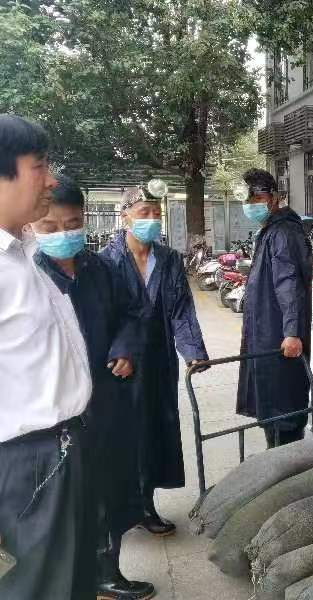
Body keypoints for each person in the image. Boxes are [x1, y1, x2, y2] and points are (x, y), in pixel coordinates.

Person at [31, 175, 155, 600]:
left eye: (72, 224)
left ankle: (107, 571)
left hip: (106, 399)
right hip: (54, 412)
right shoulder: (29, 276)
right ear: (32, 224)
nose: (63, 234)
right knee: (65, 502)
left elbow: (134, 312)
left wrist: (125, 348)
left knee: (111, 488)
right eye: (50, 227)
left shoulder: (101, 267)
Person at [0, 115, 94, 599]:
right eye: (39, 166)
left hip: (62, 450)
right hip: (26, 465)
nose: (52, 180)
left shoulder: (23, 257)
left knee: (71, 585)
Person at [101, 183, 208, 537]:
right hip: (120, 366)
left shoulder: (169, 259)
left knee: (154, 431)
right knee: (122, 435)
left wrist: (192, 350)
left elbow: (181, 308)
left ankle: (144, 505)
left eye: (156, 213)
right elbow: (101, 315)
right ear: (125, 216)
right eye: (143, 212)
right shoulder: (105, 261)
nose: (151, 218)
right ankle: (113, 510)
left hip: (159, 360)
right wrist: (118, 351)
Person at [235, 168, 312, 447]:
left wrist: (292, 332)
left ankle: (286, 465)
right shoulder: (270, 231)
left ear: (275, 198)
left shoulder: (283, 233)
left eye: (257, 198)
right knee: (272, 408)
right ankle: (277, 459)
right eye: (248, 200)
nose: (251, 205)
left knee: (284, 411)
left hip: (281, 340)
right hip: (268, 334)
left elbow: (288, 283)